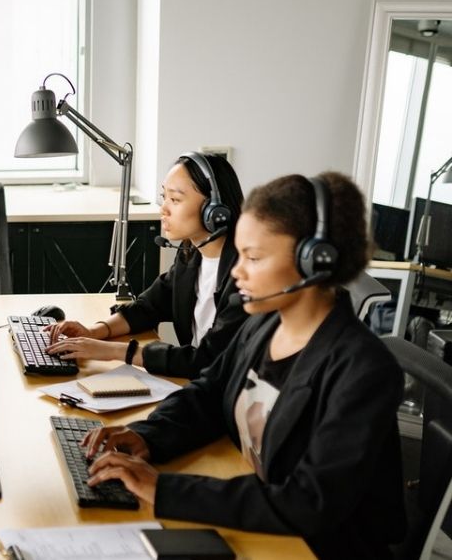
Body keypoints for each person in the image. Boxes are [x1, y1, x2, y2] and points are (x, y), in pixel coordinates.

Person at [78, 172, 406, 559]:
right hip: (258, 522)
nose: (237, 271)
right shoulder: (265, 325)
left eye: (254, 257)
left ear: (314, 261)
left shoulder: (363, 370)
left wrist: (162, 490)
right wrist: (147, 436)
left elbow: (309, 501)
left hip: (315, 549)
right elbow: (207, 393)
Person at [45, 152, 247, 378]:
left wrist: (113, 351)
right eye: (164, 197)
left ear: (214, 211)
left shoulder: (245, 274)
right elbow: (149, 307)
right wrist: (94, 331)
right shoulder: (190, 255)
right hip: (198, 387)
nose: (164, 209)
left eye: (175, 199)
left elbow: (209, 359)